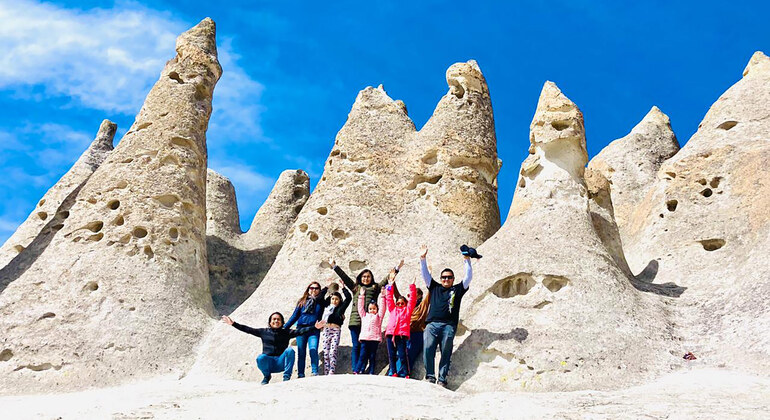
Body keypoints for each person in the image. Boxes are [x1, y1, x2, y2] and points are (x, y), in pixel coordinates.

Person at [328, 258, 404, 372]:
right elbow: (345, 277)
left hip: (369, 323)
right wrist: (334, 266)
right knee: (356, 346)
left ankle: (363, 368)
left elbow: (387, 279)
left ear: (371, 278)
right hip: (356, 320)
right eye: (364, 276)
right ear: (360, 277)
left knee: (367, 348)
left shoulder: (375, 288)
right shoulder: (355, 287)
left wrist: (397, 268)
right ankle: (356, 369)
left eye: (368, 277)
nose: (366, 278)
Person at [420, 245, 473, 387]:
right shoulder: (434, 287)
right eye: (444, 277)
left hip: (448, 326)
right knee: (428, 349)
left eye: (449, 277)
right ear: (440, 278)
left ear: (453, 279)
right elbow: (425, 275)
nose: (446, 279)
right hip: (431, 324)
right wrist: (423, 258)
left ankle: (442, 379)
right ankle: (430, 376)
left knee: (446, 352)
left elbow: (468, 277)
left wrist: (467, 260)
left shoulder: (457, 289)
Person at [221, 313, 322, 385]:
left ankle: (286, 377)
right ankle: (266, 376)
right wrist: (233, 324)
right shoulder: (263, 332)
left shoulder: (286, 332)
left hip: (281, 363)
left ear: (282, 322)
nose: (276, 321)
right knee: (261, 358)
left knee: (290, 351)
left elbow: (301, 331)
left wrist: (314, 327)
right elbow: (248, 330)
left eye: (278, 319)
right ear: (270, 322)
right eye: (274, 319)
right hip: (269, 364)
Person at [284, 281, 326, 378]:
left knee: (313, 349)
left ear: (319, 290)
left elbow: (331, 306)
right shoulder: (302, 301)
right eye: (311, 288)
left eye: (316, 288)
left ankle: (315, 371)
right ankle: (301, 374)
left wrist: (327, 287)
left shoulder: (321, 302)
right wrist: (284, 327)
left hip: (313, 329)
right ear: (308, 289)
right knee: (301, 352)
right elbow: (294, 316)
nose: (313, 290)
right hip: (301, 329)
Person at [384, 276, 417, 378]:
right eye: (398, 303)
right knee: (391, 355)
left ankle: (406, 373)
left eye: (402, 303)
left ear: (405, 304)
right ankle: (393, 372)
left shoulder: (407, 311)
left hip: (401, 335)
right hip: (391, 334)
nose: (400, 304)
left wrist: (412, 286)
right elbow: (389, 297)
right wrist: (390, 285)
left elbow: (412, 300)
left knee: (403, 355)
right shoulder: (393, 309)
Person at [319, 278, 352, 375]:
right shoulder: (327, 307)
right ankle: (326, 371)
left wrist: (343, 288)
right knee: (326, 352)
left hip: (335, 330)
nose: (334, 301)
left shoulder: (340, 309)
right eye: (333, 298)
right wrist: (327, 287)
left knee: (332, 351)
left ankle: (331, 371)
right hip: (326, 329)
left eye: (337, 299)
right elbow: (320, 298)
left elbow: (348, 298)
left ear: (339, 300)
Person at [353, 283, 386, 374]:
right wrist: (362, 296)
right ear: (368, 309)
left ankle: (371, 371)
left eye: (374, 308)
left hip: (374, 339)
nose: (372, 310)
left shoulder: (379, 316)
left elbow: (383, 308)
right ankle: (357, 370)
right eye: (370, 309)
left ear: (377, 309)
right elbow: (360, 308)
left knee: (372, 356)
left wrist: (382, 296)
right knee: (362, 355)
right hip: (364, 339)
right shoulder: (364, 316)